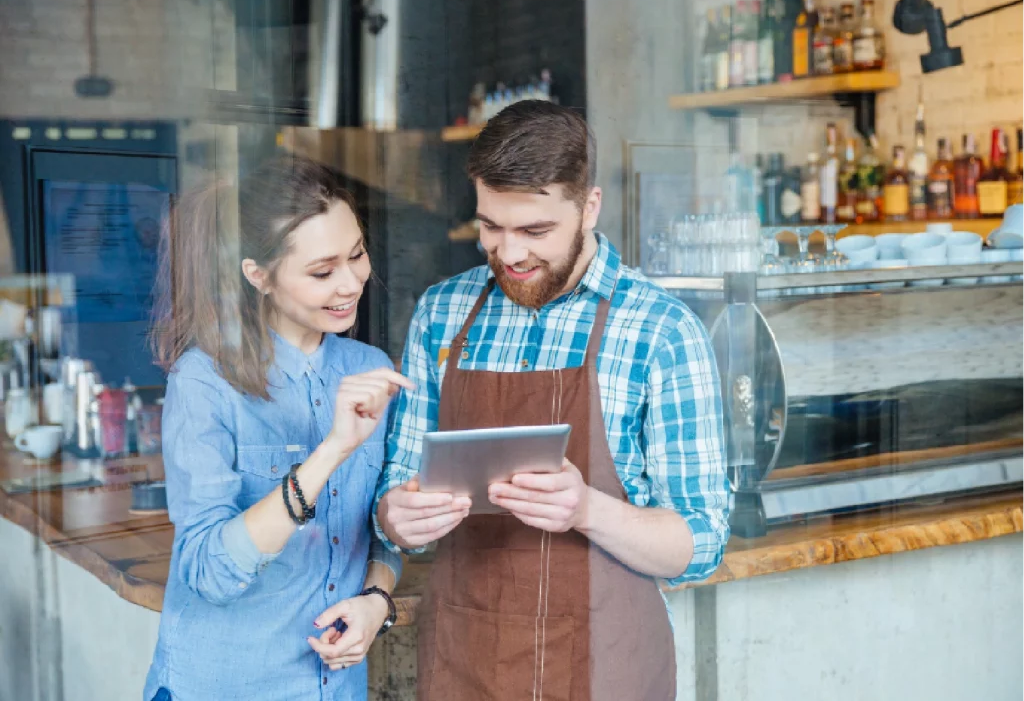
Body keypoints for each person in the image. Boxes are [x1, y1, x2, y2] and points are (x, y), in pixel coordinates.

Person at [375, 100, 731, 700]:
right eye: (491, 227)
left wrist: (587, 509)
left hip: (606, 667)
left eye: (535, 231)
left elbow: (700, 544)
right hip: (467, 660)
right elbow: (394, 497)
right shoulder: (442, 314)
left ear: (589, 206)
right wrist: (398, 517)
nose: (510, 254)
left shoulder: (662, 331)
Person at [144, 156, 412, 701]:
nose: (351, 282)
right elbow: (209, 572)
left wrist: (375, 603)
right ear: (258, 276)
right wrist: (332, 451)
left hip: (336, 688)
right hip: (227, 683)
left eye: (357, 255)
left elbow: (378, 534)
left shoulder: (367, 367)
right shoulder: (206, 381)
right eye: (322, 270)